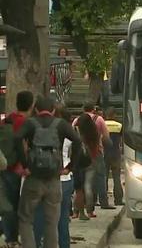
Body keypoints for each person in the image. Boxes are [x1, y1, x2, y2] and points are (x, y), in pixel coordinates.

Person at [15, 97, 81, 248]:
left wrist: (25, 164)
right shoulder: (61, 125)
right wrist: (70, 167)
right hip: (54, 179)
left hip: (33, 178)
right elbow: (77, 141)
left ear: (36, 109)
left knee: (25, 218)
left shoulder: (30, 123)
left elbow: (17, 138)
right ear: (52, 110)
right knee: (52, 222)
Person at [33, 106, 75, 248]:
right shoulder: (68, 131)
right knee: (62, 220)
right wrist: (69, 167)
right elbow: (79, 147)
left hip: (42, 178)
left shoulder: (38, 130)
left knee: (39, 217)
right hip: (64, 178)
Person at [1, 91, 34, 248]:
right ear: (30, 105)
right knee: (13, 205)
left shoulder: (8, 119)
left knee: (7, 203)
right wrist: (25, 165)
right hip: (15, 167)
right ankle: (12, 238)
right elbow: (23, 146)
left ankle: (9, 237)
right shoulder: (23, 122)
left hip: (4, 164)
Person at [72, 102, 114, 217]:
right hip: (95, 154)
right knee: (98, 178)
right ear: (94, 109)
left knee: (78, 186)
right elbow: (106, 137)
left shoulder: (76, 121)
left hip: (79, 156)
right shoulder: (99, 120)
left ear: (83, 108)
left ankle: (76, 210)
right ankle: (98, 204)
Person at [104, 107, 124, 205]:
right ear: (114, 115)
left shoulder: (102, 124)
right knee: (117, 178)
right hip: (115, 153)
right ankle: (118, 200)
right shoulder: (119, 125)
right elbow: (121, 140)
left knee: (104, 177)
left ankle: (104, 200)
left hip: (104, 153)